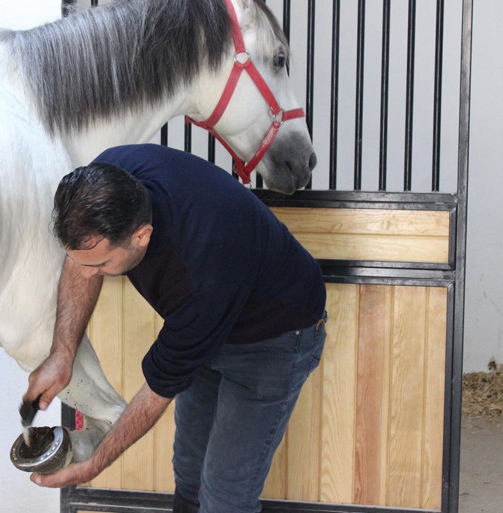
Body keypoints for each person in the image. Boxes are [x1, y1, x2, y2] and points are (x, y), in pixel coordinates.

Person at [26, 144, 327, 513]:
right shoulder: (108, 179)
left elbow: (156, 393)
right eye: (80, 260)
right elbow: (81, 259)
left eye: (101, 264)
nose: (87, 273)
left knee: (225, 495)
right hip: (211, 324)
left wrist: (95, 463)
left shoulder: (201, 271)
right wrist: (62, 354)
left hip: (275, 339)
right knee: (188, 470)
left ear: (141, 235)